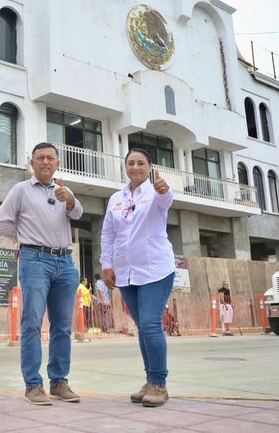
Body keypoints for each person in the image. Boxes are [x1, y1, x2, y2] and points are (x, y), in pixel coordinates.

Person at [0, 142, 83, 406]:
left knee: (63, 326)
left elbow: (78, 214)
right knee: (32, 322)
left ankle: (59, 382)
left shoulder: (64, 191)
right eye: (40, 158)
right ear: (31, 163)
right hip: (35, 260)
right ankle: (33, 384)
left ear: (57, 164)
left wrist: (70, 200)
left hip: (65, 262)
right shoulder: (21, 190)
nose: (46, 161)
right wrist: (23, 239)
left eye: (50, 158)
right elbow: (1, 223)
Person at [101, 148, 175, 407]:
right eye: (131, 163)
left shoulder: (156, 191)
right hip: (126, 273)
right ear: (125, 167)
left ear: (149, 166)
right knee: (143, 327)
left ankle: (159, 383)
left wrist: (165, 190)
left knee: (151, 324)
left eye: (141, 163)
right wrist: (107, 265)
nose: (135, 167)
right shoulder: (115, 199)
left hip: (155, 269)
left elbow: (166, 202)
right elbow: (108, 235)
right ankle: (150, 380)